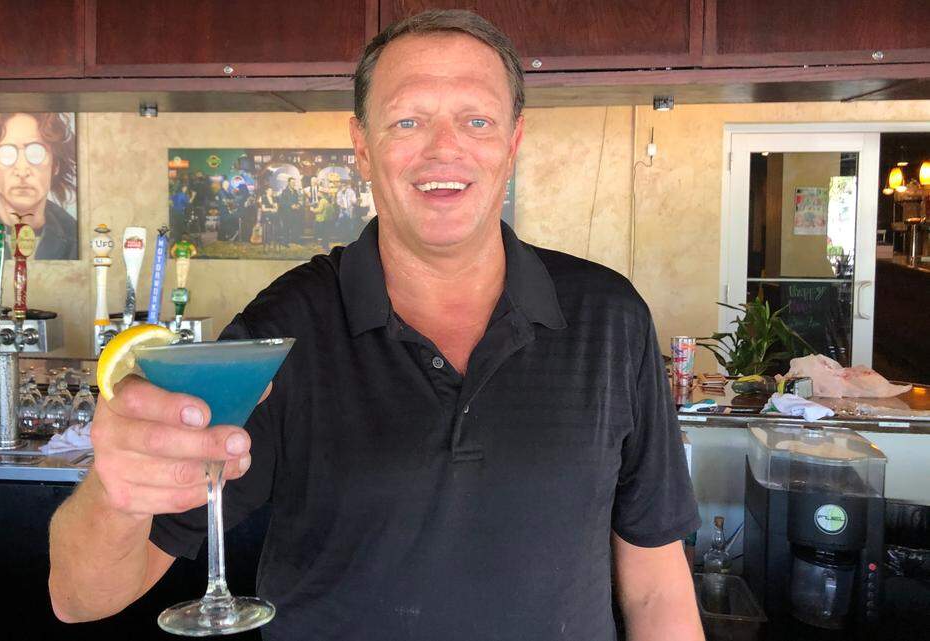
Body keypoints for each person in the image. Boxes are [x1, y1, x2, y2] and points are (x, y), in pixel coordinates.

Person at [49, 10, 702, 641]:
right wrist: (117, 489)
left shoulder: (611, 318)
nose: (444, 148)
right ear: (362, 146)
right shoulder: (284, 326)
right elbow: (78, 596)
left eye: (475, 119)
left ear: (513, 142)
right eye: (409, 119)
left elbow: (655, 586)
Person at [0, 112, 78, 260]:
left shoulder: (73, 236)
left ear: (55, 166)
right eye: (6, 154)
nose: (22, 171)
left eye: (36, 153)